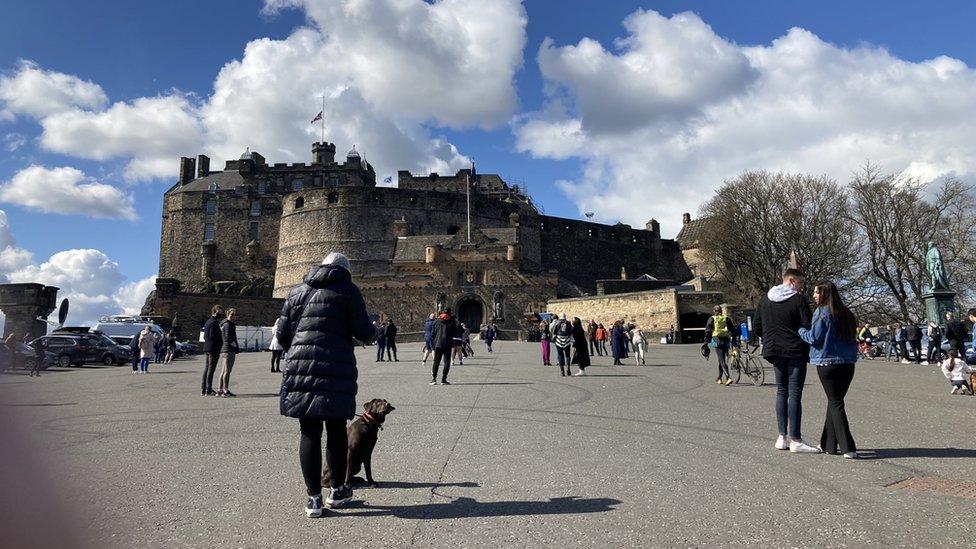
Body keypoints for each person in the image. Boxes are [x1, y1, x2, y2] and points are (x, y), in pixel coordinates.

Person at [276, 252, 375, 517]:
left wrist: (299, 354)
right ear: (345, 270)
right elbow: (364, 331)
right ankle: (336, 492)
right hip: (336, 368)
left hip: (300, 368)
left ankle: (313, 500)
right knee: (335, 430)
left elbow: (282, 334)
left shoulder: (298, 291)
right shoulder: (348, 291)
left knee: (309, 432)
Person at [754, 268, 818, 453]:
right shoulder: (798, 300)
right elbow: (808, 324)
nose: (802, 287)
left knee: (781, 391)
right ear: (791, 281)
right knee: (795, 393)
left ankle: (782, 437)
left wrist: (769, 338)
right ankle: (796, 439)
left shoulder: (765, 299)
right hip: (795, 350)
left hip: (773, 350)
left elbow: (757, 325)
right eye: (801, 283)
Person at [799, 281, 858, 459]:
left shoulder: (822, 312)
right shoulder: (847, 313)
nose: (814, 296)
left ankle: (848, 447)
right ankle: (828, 444)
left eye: (817, 293)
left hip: (827, 363)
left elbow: (814, 338)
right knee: (835, 401)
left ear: (824, 294)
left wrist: (800, 330)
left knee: (836, 402)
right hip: (848, 363)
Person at [705, 306, 735, 385]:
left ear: (714, 311)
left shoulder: (712, 319)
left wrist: (705, 342)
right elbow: (732, 329)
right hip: (726, 339)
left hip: (716, 339)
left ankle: (728, 377)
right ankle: (719, 378)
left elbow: (708, 331)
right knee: (721, 359)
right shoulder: (726, 318)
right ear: (721, 311)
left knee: (721, 359)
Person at [431, 308, 458, 385]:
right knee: (447, 362)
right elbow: (455, 332)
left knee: (436, 362)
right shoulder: (451, 322)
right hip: (447, 344)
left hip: (438, 344)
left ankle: (434, 379)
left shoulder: (436, 321)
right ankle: (443, 379)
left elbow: (432, 333)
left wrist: (435, 341)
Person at [201, 305, 224, 394]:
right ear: (215, 311)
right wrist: (219, 342)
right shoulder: (214, 323)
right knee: (211, 369)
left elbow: (204, 336)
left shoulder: (207, 322)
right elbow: (212, 336)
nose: (221, 314)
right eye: (220, 312)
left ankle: (204, 389)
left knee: (207, 368)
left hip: (207, 347)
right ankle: (208, 389)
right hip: (213, 349)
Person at [217, 308, 239, 396]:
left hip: (225, 349)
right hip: (228, 349)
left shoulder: (226, 324)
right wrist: (234, 345)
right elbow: (228, 337)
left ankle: (220, 389)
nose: (234, 316)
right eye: (232, 314)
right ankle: (225, 390)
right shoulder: (228, 324)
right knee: (227, 371)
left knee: (223, 371)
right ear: (228, 315)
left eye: (235, 314)